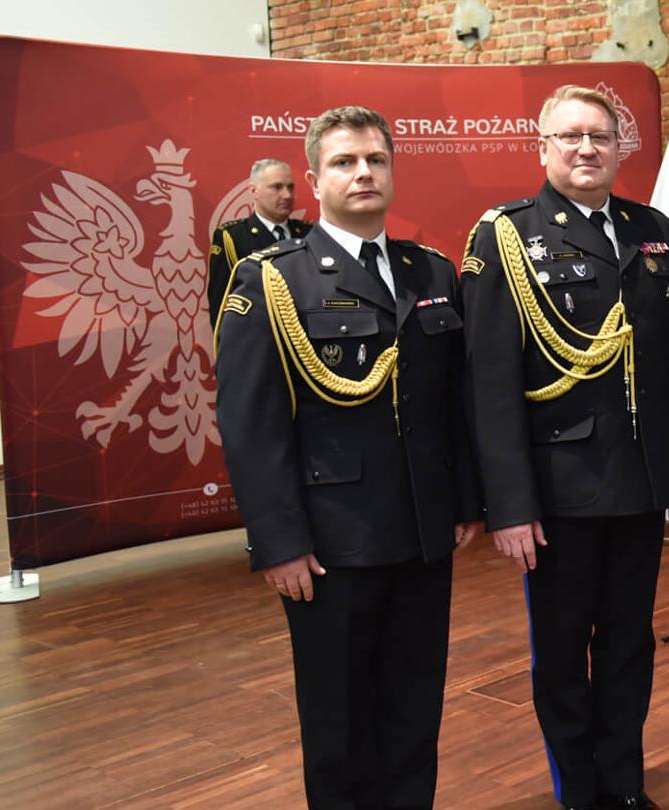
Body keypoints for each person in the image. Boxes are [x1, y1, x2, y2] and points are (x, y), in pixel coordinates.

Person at [214, 105, 483, 810]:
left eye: (375, 159)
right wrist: (279, 542)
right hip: (331, 541)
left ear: (392, 170)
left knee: (413, 708)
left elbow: (450, 402)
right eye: (344, 162)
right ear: (313, 179)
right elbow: (251, 426)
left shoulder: (429, 270)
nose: (362, 172)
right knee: (338, 721)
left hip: (423, 535)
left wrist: (463, 503)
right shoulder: (273, 280)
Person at [460, 84, 669, 810]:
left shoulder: (651, 229)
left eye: (599, 136)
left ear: (620, 147)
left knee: (631, 647)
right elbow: (490, 384)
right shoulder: (505, 236)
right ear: (544, 148)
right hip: (557, 492)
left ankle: (624, 786)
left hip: (639, 484)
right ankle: (579, 792)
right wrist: (508, 505)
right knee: (564, 656)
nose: (587, 149)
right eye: (570, 137)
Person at [208, 158, 310, 327]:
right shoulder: (233, 237)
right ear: (254, 191)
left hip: (304, 341)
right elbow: (221, 303)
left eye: (290, 187)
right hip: (256, 338)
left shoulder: (308, 233)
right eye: (277, 187)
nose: (287, 195)